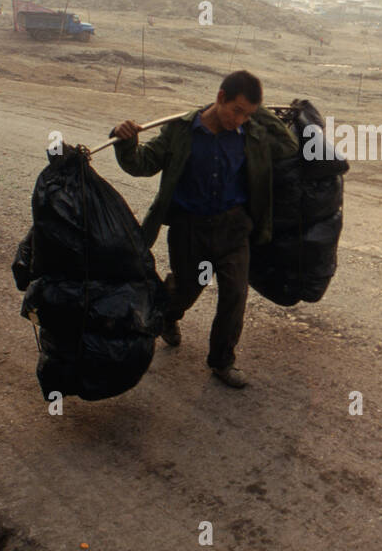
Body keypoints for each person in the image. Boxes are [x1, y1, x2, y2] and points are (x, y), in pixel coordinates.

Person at [110, 70, 298, 389]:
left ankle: (222, 361)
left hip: (233, 229)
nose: (239, 119)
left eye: (248, 113)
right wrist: (125, 140)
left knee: (235, 294)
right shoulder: (181, 131)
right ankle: (169, 315)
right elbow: (141, 164)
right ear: (220, 97)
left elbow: (289, 147)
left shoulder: (251, 133)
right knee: (187, 289)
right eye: (237, 110)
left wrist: (261, 113)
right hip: (190, 229)